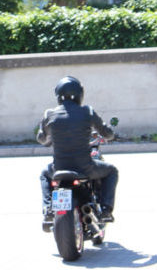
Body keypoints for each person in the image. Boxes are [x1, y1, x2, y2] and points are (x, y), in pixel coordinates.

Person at [36, 76, 118, 223]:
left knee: (44, 174)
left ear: (58, 95)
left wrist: (51, 137)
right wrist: (110, 132)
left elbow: (42, 139)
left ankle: (48, 210)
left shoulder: (49, 114)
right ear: (80, 94)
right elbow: (107, 134)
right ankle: (106, 210)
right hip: (86, 168)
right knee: (112, 171)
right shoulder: (87, 111)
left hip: (58, 168)